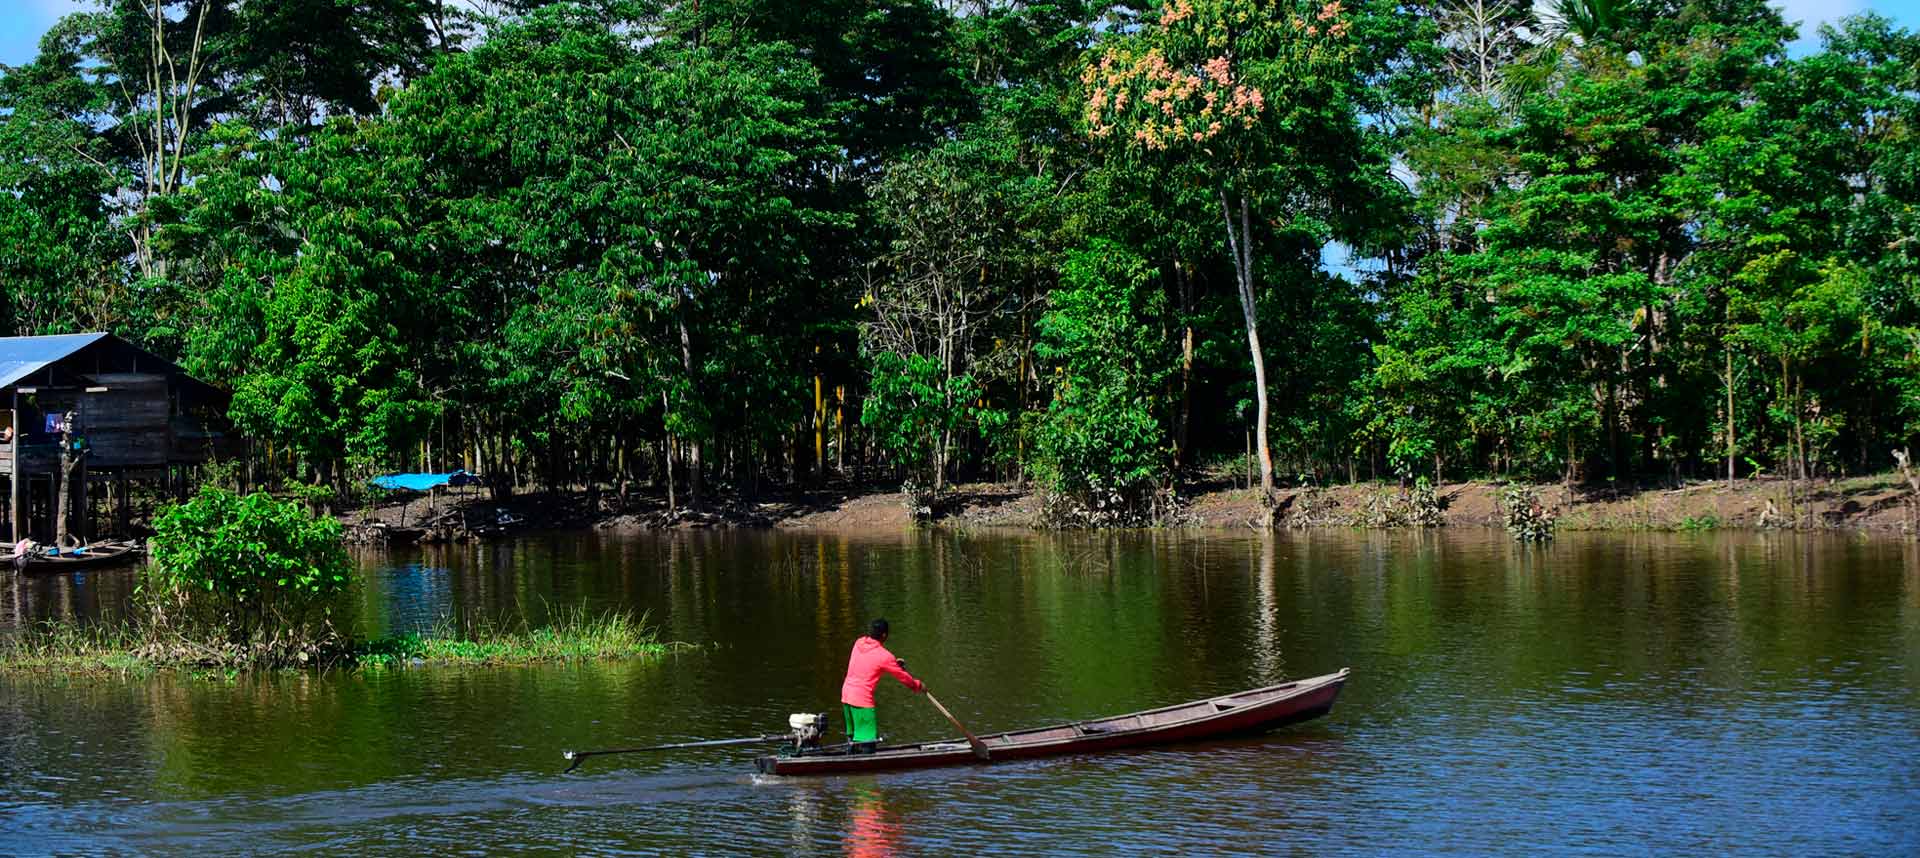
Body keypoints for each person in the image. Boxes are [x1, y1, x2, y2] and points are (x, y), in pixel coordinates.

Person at [839, 618, 924, 753]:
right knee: (867, 743)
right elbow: (904, 679)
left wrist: (895, 665)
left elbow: (869, 663)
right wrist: (918, 686)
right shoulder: (885, 656)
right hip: (862, 701)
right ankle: (866, 766)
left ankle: (851, 767)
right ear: (884, 635)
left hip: (846, 696)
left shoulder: (859, 642)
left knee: (853, 739)